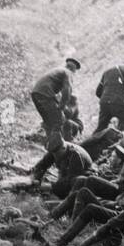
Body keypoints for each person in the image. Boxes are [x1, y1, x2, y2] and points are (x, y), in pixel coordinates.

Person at [28, 57, 81, 186]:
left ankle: (48, 158)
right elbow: (67, 91)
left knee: (53, 126)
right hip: (45, 95)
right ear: (74, 69)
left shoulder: (58, 70)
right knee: (59, 123)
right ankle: (56, 157)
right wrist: (61, 107)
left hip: (37, 93)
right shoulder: (68, 73)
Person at [95, 51, 124, 130]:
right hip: (120, 103)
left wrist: (108, 98)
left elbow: (98, 92)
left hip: (104, 104)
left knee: (101, 129)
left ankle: (90, 142)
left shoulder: (107, 71)